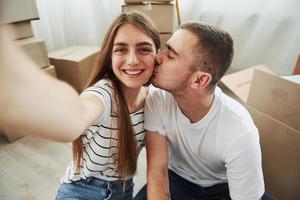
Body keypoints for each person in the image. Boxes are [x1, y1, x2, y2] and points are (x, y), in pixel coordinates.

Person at [134, 22, 273, 200]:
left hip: (224, 188)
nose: (157, 57)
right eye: (164, 49)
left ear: (200, 80)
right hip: (177, 180)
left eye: (170, 55)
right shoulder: (158, 98)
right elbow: (157, 173)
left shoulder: (240, 131)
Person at [53, 12, 160, 200]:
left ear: (156, 55)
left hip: (123, 189)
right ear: (109, 57)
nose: (133, 60)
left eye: (144, 49)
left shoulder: (155, 100)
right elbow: (81, 111)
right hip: (81, 188)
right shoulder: (103, 93)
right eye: (121, 50)